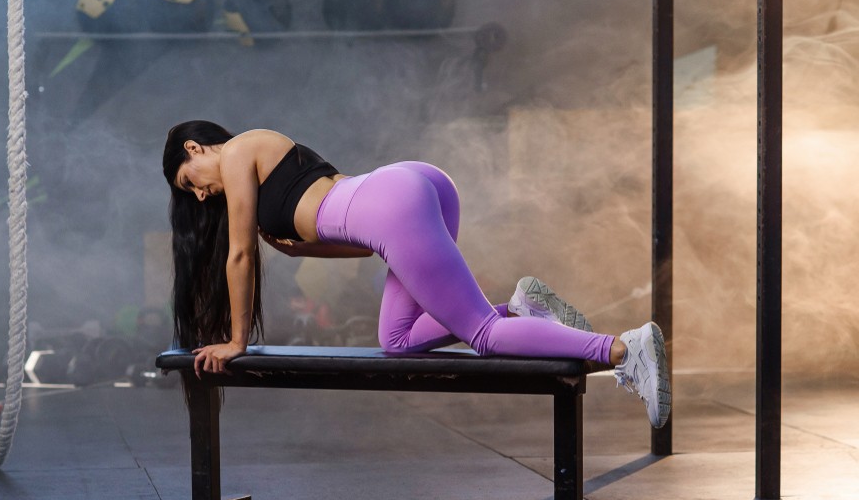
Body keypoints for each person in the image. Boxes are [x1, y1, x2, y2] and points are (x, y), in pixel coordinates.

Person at [162, 120, 671, 428]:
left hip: (392, 207)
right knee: (397, 340)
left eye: (191, 184)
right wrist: (300, 255)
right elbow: (363, 246)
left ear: (194, 149)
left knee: (484, 338)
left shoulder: (235, 152)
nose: (202, 196)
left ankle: (625, 350)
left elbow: (239, 255)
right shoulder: (261, 151)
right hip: (408, 188)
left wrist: (234, 342)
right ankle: (518, 308)